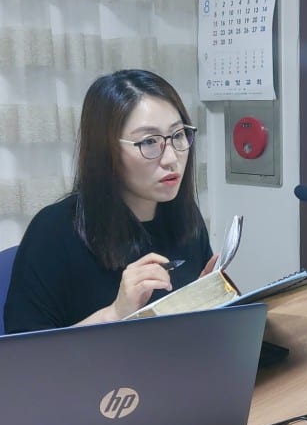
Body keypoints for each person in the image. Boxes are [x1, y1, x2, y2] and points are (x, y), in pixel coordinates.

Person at [4, 69, 217, 334]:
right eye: (149, 142)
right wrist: (115, 314)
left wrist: (206, 300)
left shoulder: (183, 215)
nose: (171, 158)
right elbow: (25, 353)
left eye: (178, 135)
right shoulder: (54, 231)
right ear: (106, 151)